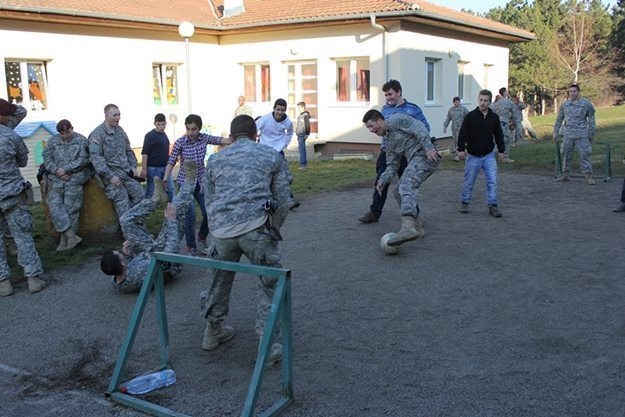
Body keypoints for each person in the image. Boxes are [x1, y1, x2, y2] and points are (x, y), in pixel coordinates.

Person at [200, 114, 291, 364]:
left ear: (230, 137)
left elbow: (209, 201)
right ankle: (266, 344)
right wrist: (274, 227)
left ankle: (212, 332)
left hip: (221, 232)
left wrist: (217, 227)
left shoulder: (215, 160)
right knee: (270, 283)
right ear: (256, 135)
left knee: (219, 281)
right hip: (257, 228)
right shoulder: (270, 155)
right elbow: (283, 198)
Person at [100, 161, 196, 294]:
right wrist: (171, 221)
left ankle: (155, 200)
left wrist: (128, 255)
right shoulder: (140, 272)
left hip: (147, 254)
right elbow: (169, 253)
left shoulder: (117, 279)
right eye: (120, 255)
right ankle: (190, 180)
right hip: (165, 258)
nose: (121, 252)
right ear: (122, 264)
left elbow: (122, 272)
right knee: (175, 209)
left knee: (126, 221)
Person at [362, 109, 440, 246]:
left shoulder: (396, 120)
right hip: (417, 159)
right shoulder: (388, 141)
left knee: (406, 185)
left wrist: (428, 148)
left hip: (425, 155)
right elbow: (392, 165)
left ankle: (408, 227)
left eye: (370, 126)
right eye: (368, 128)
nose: (370, 130)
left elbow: (419, 128)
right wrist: (382, 181)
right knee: (398, 191)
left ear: (380, 121)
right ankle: (416, 226)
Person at [358, 79, 430, 224]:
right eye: (386, 95)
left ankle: (414, 215)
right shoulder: (385, 110)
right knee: (381, 179)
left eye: (390, 94)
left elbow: (424, 127)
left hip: (406, 153)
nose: (388, 97)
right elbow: (382, 131)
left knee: (406, 184)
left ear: (399, 92)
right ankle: (374, 212)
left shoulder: (413, 109)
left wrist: (425, 147)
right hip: (388, 151)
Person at [163, 114, 231, 256]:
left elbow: (220, 140)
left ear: (199, 129)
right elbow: (171, 161)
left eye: (194, 129)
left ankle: (201, 237)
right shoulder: (181, 142)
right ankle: (190, 246)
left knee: (208, 212)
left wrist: (237, 138)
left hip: (201, 181)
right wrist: (165, 178)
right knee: (190, 216)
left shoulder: (204, 138)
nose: (191, 132)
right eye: (188, 129)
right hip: (185, 183)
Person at [0, 98, 46, 296]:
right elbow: (22, 160)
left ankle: (3, 284)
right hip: (13, 195)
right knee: (23, 237)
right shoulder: (10, 136)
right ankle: (33, 279)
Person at [42, 119, 93, 251]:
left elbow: (84, 159)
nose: (65, 135)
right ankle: (71, 236)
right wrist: (57, 171)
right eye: (62, 133)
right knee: (54, 205)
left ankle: (65, 241)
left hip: (75, 177)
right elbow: (47, 158)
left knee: (71, 208)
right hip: (57, 178)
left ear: (72, 128)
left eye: (67, 132)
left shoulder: (81, 140)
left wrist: (66, 169)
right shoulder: (53, 141)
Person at [88, 103, 144, 219]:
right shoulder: (97, 135)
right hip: (111, 178)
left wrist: (133, 166)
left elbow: (128, 150)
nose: (118, 118)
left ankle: (133, 225)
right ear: (106, 116)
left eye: (119, 115)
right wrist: (110, 176)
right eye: (114, 115)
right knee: (122, 199)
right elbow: (96, 159)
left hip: (126, 173)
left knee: (140, 195)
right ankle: (129, 234)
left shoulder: (120, 131)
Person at [457, 89, 506, 218]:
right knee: (468, 181)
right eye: (481, 100)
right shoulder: (471, 116)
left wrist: (501, 150)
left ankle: (493, 205)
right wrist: (461, 149)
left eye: (485, 101)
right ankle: (465, 202)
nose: (482, 103)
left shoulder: (494, 118)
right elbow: (462, 134)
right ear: (478, 100)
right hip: (473, 156)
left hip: (489, 155)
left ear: (490, 102)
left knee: (492, 181)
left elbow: (499, 135)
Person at [256, 98, 300, 209]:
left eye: (282, 110)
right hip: (264, 151)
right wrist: (255, 141)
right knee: (265, 176)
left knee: (284, 176)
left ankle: (289, 200)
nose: (280, 112)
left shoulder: (288, 122)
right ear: (274, 108)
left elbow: (290, 133)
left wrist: (285, 144)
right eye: (278, 109)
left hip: (278, 151)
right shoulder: (265, 119)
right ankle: (265, 199)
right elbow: (254, 127)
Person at [553, 84, 596, 185]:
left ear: (578, 92)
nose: (572, 93)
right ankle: (565, 175)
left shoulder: (586, 103)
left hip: (581, 134)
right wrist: (555, 132)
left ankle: (589, 176)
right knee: (566, 154)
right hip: (567, 134)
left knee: (584, 155)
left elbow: (592, 119)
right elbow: (559, 119)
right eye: (570, 92)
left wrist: (591, 132)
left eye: (574, 91)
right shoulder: (565, 105)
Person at [140, 113, 174, 202]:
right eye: (158, 124)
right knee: (151, 191)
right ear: (154, 124)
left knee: (170, 189)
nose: (161, 127)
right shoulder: (149, 136)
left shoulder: (164, 134)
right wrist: (144, 169)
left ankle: (174, 209)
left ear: (166, 123)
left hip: (165, 168)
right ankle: (145, 209)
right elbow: (144, 153)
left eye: (163, 124)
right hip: (153, 168)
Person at [490, 87, 522, 163]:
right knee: (507, 140)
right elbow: (514, 114)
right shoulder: (508, 102)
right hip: (503, 123)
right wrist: (514, 123)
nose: (508, 92)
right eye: (506, 91)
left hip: (494, 124)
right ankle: (504, 157)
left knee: (494, 140)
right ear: (504, 93)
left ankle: (490, 156)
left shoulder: (495, 103)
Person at [443, 96, 469, 161]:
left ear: (459, 102)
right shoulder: (451, 110)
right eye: (455, 102)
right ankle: (458, 154)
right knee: (455, 142)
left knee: (460, 142)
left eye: (458, 102)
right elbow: (448, 119)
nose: (457, 103)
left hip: (462, 129)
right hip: (454, 129)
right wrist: (445, 127)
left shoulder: (464, 109)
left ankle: (461, 155)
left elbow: (468, 118)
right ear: (453, 103)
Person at [295, 101, 311, 169]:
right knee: (301, 149)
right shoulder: (300, 116)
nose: (298, 109)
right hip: (299, 135)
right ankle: (303, 164)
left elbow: (307, 125)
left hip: (302, 135)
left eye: (299, 107)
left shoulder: (305, 115)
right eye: (298, 107)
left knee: (302, 150)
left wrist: (307, 134)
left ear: (303, 107)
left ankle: (303, 165)